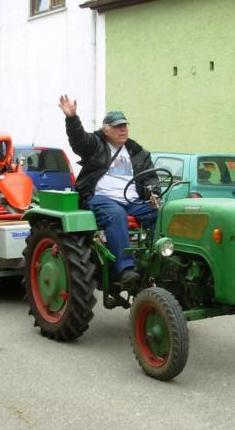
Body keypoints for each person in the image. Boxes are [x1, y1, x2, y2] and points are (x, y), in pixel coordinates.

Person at [59, 94, 160, 287]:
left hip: (133, 201)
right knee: (116, 214)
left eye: (124, 125)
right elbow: (78, 140)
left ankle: (159, 260)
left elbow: (150, 178)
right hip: (101, 198)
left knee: (162, 213)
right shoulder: (95, 145)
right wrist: (72, 118)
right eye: (117, 126)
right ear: (105, 130)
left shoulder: (138, 152)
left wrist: (154, 193)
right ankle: (125, 268)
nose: (122, 129)